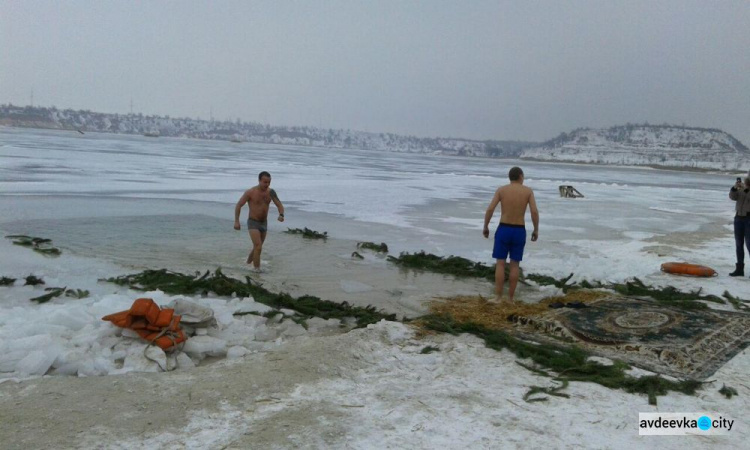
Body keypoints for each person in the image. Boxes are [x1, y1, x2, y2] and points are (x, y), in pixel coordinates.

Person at [483, 166, 539, 303]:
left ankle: (498, 297)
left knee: (500, 264)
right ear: (520, 176)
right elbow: (534, 212)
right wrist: (536, 229)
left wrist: (486, 226)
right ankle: (511, 299)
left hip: (504, 229)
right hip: (519, 230)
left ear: (510, 177)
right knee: (515, 265)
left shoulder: (502, 190)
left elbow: (490, 208)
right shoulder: (528, 191)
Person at [234, 171, 285, 271]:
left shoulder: (271, 192)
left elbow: (279, 205)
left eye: (269, 182)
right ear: (259, 180)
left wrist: (281, 215)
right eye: (265, 182)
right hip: (253, 222)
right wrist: (237, 221)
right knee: (258, 246)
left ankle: (248, 263)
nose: (267, 185)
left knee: (257, 247)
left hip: (264, 223)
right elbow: (239, 205)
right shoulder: (250, 192)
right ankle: (256, 270)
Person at [729, 174, 750, 276]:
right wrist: (734, 188)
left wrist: (746, 189)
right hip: (738, 218)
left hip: (748, 218)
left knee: (749, 244)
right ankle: (739, 269)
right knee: (739, 244)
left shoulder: (746, 190)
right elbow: (732, 197)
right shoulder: (741, 189)